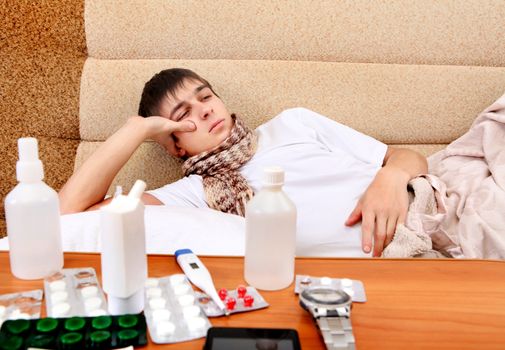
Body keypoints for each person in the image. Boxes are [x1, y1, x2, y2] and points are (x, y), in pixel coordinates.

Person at [59, 68, 428, 257]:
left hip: (426, 209)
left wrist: (391, 176)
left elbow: (409, 158)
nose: (203, 111)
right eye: (183, 115)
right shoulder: (193, 194)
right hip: (383, 271)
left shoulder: (292, 123)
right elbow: (69, 217)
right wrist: (136, 131)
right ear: (176, 147)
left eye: (205, 97)